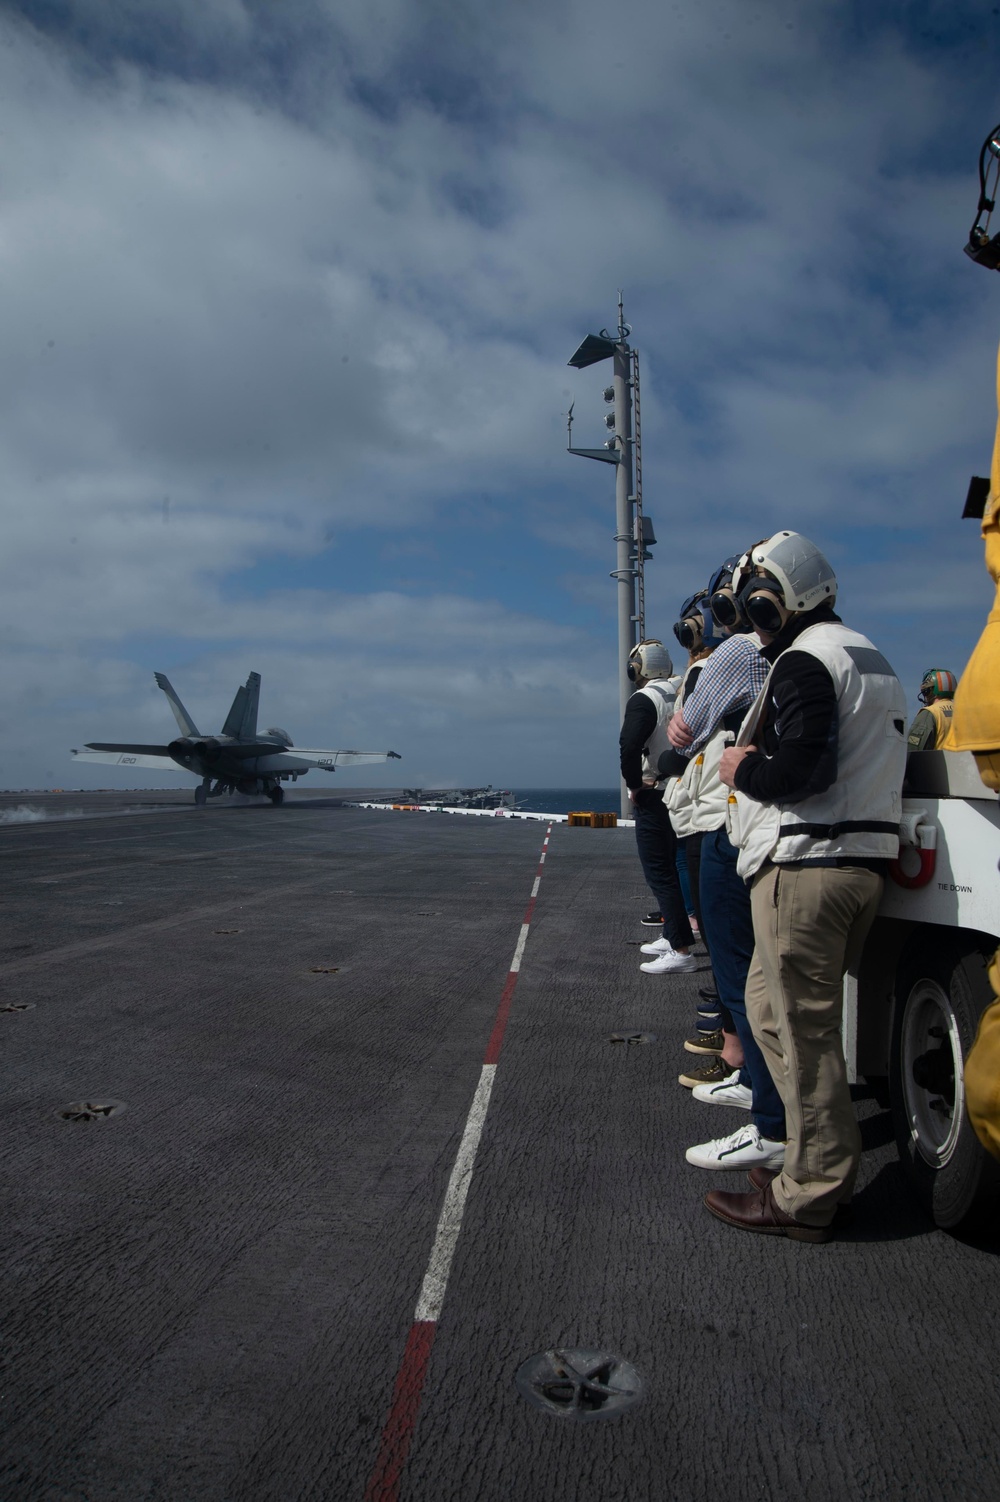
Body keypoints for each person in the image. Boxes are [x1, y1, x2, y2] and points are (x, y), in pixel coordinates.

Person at [706, 531, 907, 1241]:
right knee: (768, 1007)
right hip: (858, 863)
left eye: (759, 606)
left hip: (808, 870)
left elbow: (804, 772)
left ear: (782, 598)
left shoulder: (803, 662)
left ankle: (809, 1196)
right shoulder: (867, 654)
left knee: (803, 1033)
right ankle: (808, 1156)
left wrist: (740, 771)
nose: (755, 623)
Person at [664, 553, 788, 1171]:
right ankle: (764, 1092)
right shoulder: (803, 653)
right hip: (776, 826)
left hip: (728, 823)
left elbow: (681, 733)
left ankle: (763, 1105)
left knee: (740, 970)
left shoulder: (737, 655)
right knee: (762, 972)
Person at [619, 639, 695, 973]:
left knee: (659, 871)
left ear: (637, 669)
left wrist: (634, 785)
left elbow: (628, 745)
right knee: (676, 869)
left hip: (653, 793)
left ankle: (680, 951)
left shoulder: (643, 698)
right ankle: (673, 933)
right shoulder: (681, 689)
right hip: (681, 789)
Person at [906, 669, 956, 750]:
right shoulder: (964, 712)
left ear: (928, 691)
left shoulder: (929, 714)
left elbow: (913, 752)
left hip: (939, 763)